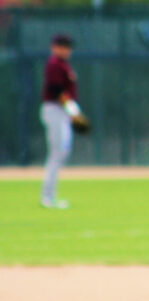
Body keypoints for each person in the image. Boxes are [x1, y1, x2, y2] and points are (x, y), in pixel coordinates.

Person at [40, 33, 85, 209]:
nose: (67, 50)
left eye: (68, 47)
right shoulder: (54, 64)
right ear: (55, 47)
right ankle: (48, 196)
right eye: (64, 46)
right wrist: (74, 112)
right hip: (55, 110)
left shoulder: (63, 65)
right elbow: (57, 90)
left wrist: (73, 112)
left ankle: (50, 195)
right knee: (57, 153)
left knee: (62, 152)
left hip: (62, 111)